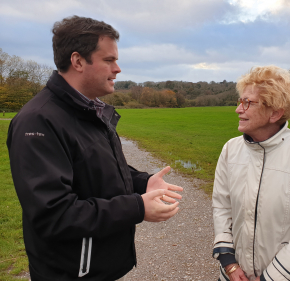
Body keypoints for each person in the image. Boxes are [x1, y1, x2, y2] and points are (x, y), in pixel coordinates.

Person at [7, 16, 183, 281]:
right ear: (78, 61)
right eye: (109, 60)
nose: (118, 69)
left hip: (98, 269)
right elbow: (53, 214)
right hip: (70, 273)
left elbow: (98, 168)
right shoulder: (39, 121)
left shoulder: (89, 109)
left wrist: (142, 183)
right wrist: (136, 207)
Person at [212, 65, 290, 281]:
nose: (238, 109)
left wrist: (269, 278)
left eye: (248, 103)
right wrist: (229, 263)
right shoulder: (230, 150)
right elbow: (222, 206)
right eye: (240, 101)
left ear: (275, 113)